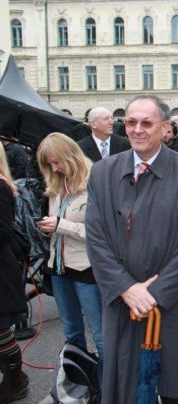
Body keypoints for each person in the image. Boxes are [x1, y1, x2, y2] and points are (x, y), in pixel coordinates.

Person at [85, 95, 178, 403]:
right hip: (122, 304)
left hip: (172, 303)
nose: (137, 130)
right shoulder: (102, 172)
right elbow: (96, 239)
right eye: (130, 122)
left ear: (165, 127)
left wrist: (154, 293)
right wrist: (127, 289)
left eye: (146, 123)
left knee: (173, 388)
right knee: (124, 388)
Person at [36, 133, 105, 385]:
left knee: (101, 336)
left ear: (71, 156)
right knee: (72, 334)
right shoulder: (56, 185)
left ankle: (106, 388)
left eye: (57, 162)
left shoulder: (95, 180)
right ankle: (79, 387)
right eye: (49, 164)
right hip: (59, 268)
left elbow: (102, 233)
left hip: (87, 269)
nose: (54, 168)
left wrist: (61, 225)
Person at [0, 143, 29, 402]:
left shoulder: (1, 186)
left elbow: (3, 232)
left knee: (0, 329)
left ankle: (15, 380)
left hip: (1, 268)